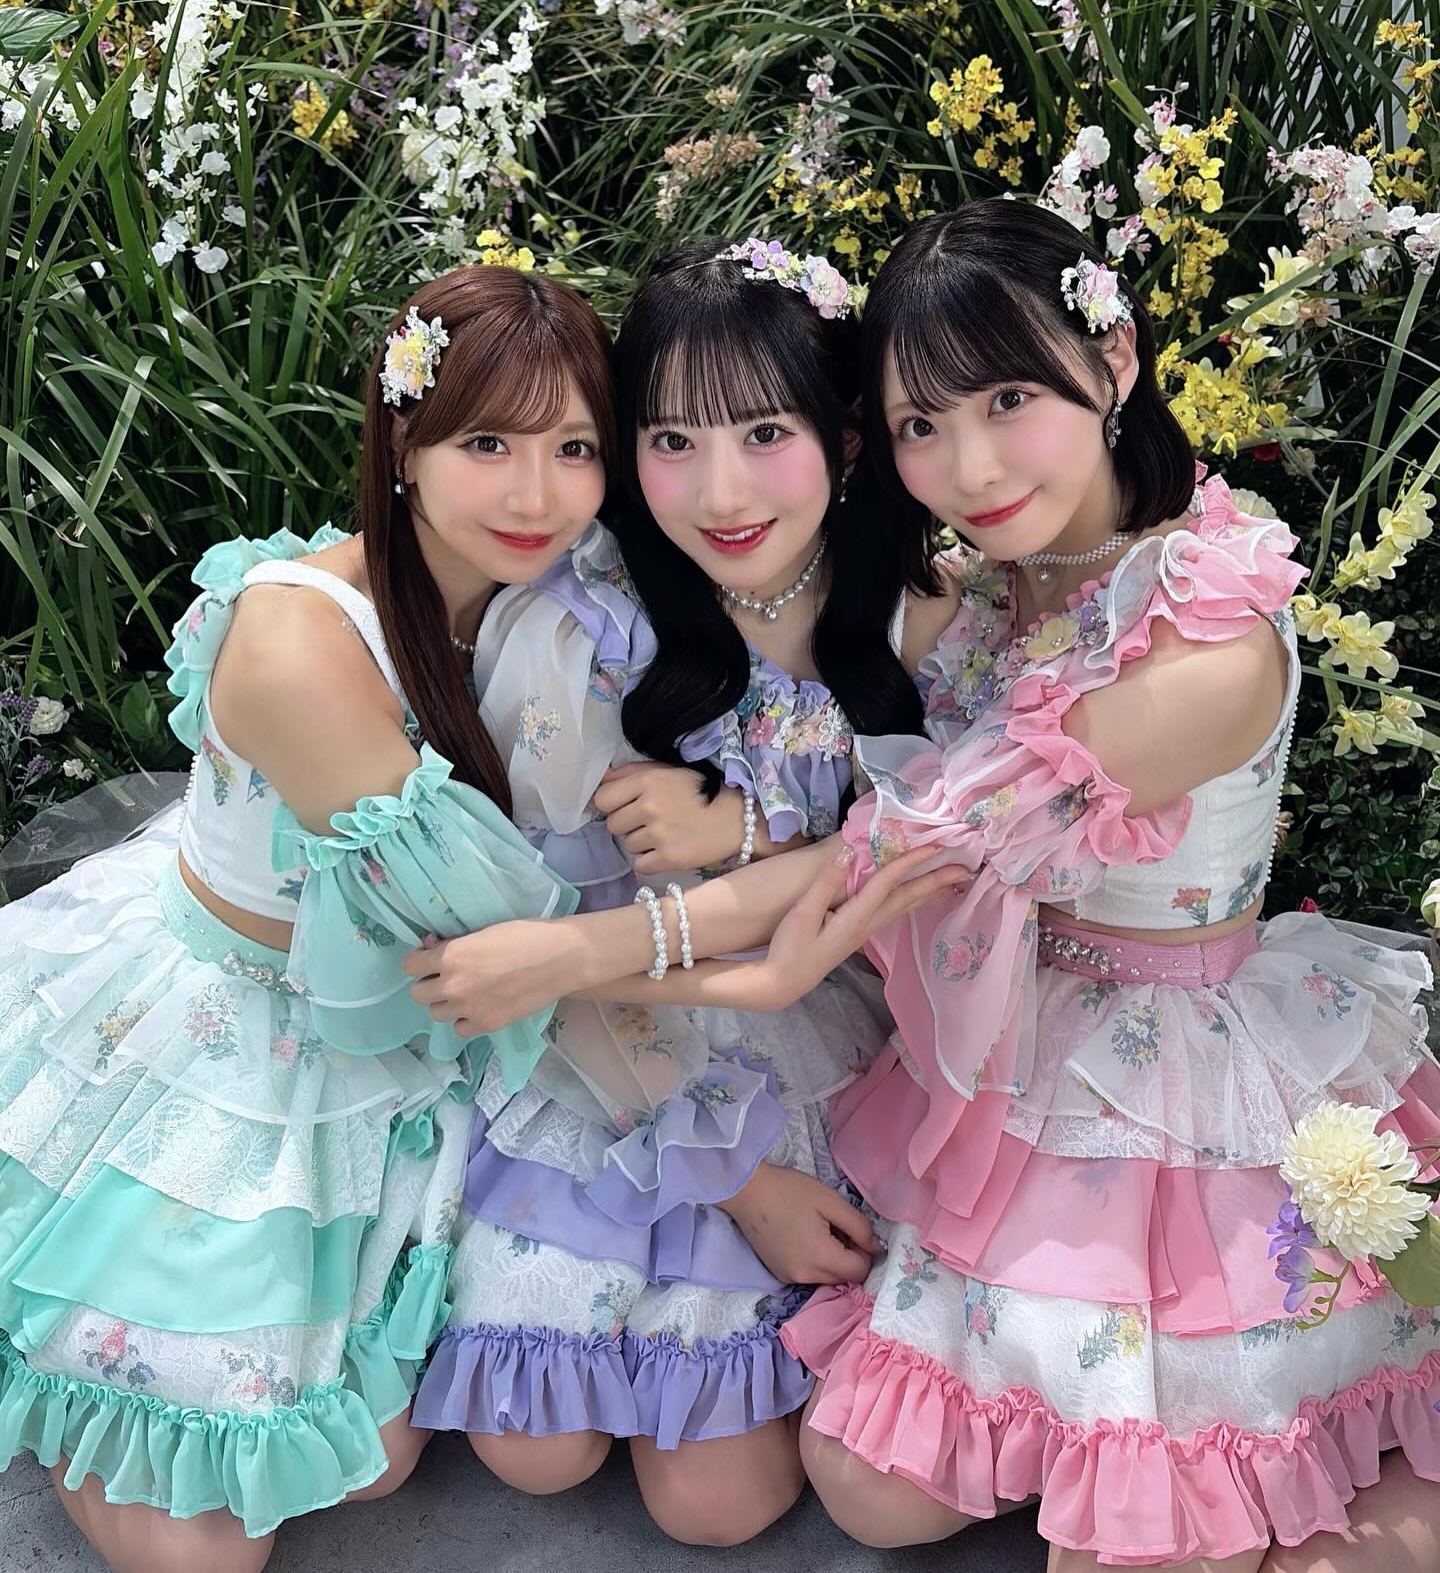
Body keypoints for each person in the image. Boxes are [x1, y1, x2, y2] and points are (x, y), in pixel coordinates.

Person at [773, 201, 1440, 1572]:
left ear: (1116, 357)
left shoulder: (1206, 619)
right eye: (921, 424)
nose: (969, 465)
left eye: (1009, 400)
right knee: (869, 1489)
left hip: (1197, 1053)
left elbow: (912, 843)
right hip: (1032, 1033)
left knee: (1141, 1539)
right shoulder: (994, 581)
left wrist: (597, 949)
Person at [0, 266, 616, 1573]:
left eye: (575, 449)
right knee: (203, 1550)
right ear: (402, 439)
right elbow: (483, 927)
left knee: (372, 1462)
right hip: (238, 1035)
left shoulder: (548, 604)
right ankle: (71, 1367)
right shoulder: (300, 643)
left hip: (405, 1031)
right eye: (488, 444)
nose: (537, 494)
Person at [410, 237, 971, 1545]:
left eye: (765, 432)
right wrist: (735, 1180)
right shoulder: (586, 632)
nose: (720, 491)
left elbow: (930, 856)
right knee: (537, 1448)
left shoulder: (920, 612)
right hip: (614, 1040)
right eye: (671, 441)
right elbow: (546, 946)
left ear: (843, 439)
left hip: (818, 1026)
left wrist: (749, 825)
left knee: (720, 1505)